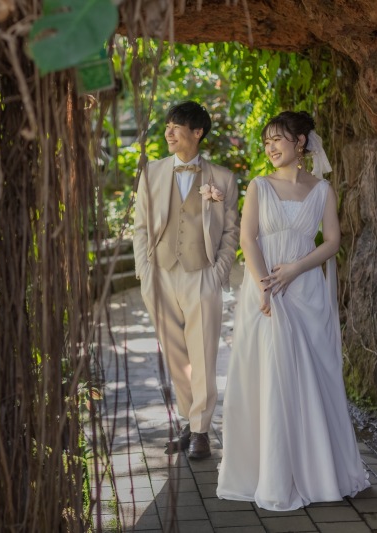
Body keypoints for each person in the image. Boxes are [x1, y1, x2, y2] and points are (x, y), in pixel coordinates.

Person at [216, 111, 370, 510]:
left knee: (312, 379)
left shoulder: (322, 190)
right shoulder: (258, 186)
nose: (270, 148)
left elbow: (332, 242)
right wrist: (266, 285)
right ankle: (269, 472)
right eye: (266, 141)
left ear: (300, 143)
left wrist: (297, 269)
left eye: (278, 140)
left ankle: (319, 472)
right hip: (266, 292)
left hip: (305, 291)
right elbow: (248, 240)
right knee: (269, 378)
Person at [133, 101, 240, 460]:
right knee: (176, 356)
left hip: (201, 275)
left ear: (197, 133)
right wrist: (145, 274)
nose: (168, 132)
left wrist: (218, 273)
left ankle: (201, 431)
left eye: (177, 127)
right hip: (160, 274)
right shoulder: (151, 173)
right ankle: (187, 420)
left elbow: (230, 233)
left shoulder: (222, 178)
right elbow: (141, 229)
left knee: (204, 353)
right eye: (167, 126)